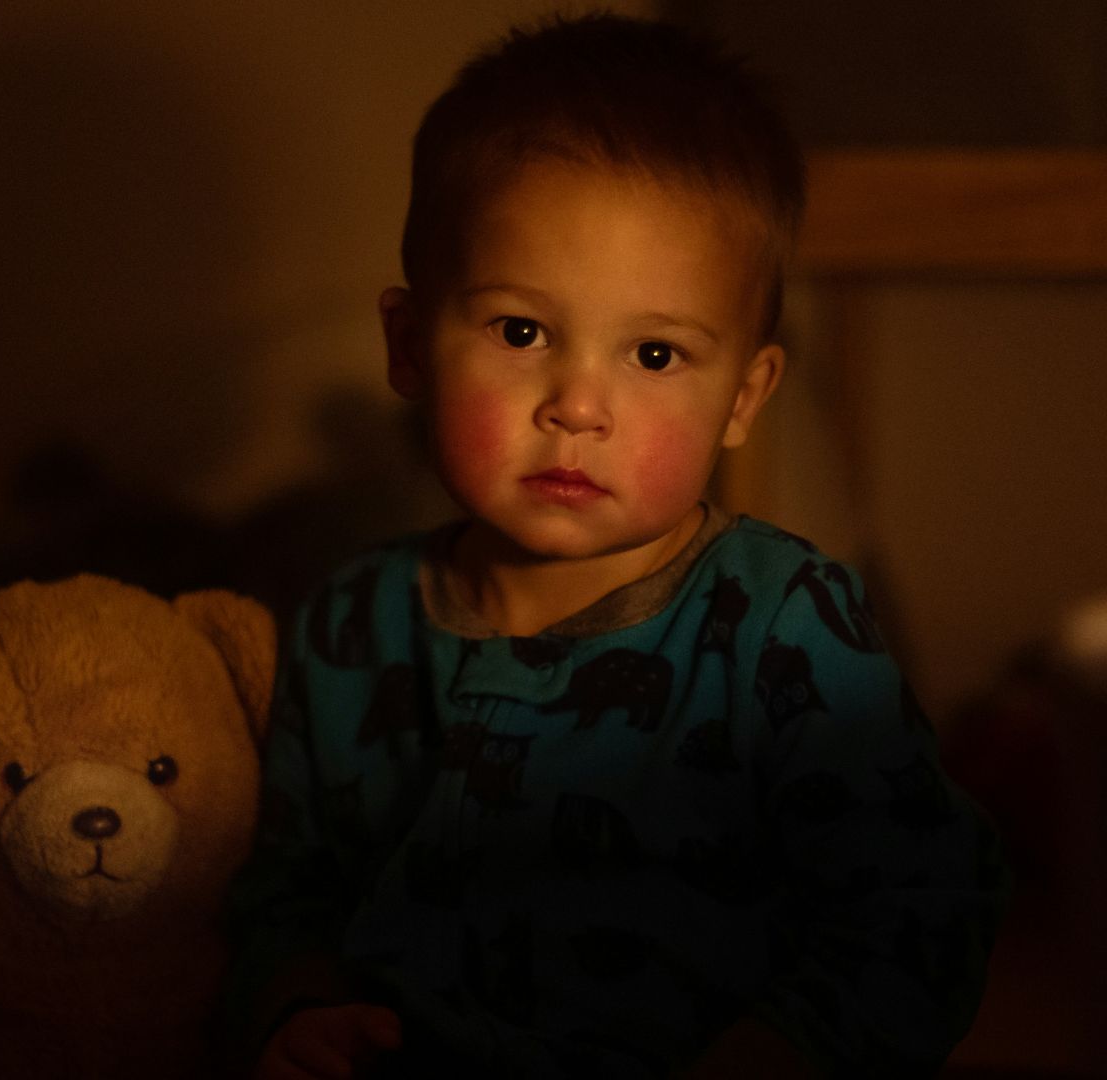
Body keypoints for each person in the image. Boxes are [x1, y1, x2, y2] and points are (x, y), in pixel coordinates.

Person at [224, 13, 1007, 1079]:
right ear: (410, 345)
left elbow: (920, 902)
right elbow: (287, 885)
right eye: (520, 332)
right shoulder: (351, 622)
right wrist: (297, 1008)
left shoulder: (783, 625)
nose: (578, 406)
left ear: (745, 394)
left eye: (653, 352)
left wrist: (777, 1051)